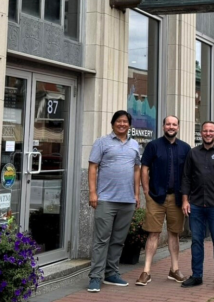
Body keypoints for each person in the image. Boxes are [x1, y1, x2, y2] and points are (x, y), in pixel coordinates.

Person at [87, 110, 140, 292]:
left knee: (118, 240)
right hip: (106, 199)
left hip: (127, 200)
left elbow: (136, 170)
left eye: (125, 121)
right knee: (101, 240)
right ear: (113, 124)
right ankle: (95, 276)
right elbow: (93, 167)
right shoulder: (102, 142)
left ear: (129, 125)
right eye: (119, 121)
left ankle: (111, 273)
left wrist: (137, 195)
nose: (122, 124)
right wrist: (93, 193)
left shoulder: (134, 144)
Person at [136, 116, 190, 286]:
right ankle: (146, 272)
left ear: (178, 127)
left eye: (174, 124)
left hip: (177, 198)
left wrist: (186, 197)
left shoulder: (185, 148)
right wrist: (146, 191)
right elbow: (144, 168)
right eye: (168, 124)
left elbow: (188, 174)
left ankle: (174, 270)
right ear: (163, 126)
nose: (171, 127)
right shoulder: (153, 146)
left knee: (174, 233)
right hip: (156, 197)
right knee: (153, 233)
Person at [181, 121, 214, 293]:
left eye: (211, 131)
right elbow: (186, 178)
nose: (208, 133)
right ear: (201, 133)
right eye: (205, 131)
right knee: (196, 241)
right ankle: (197, 275)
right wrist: (185, 200)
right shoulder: (193, 153)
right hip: (196, 204)